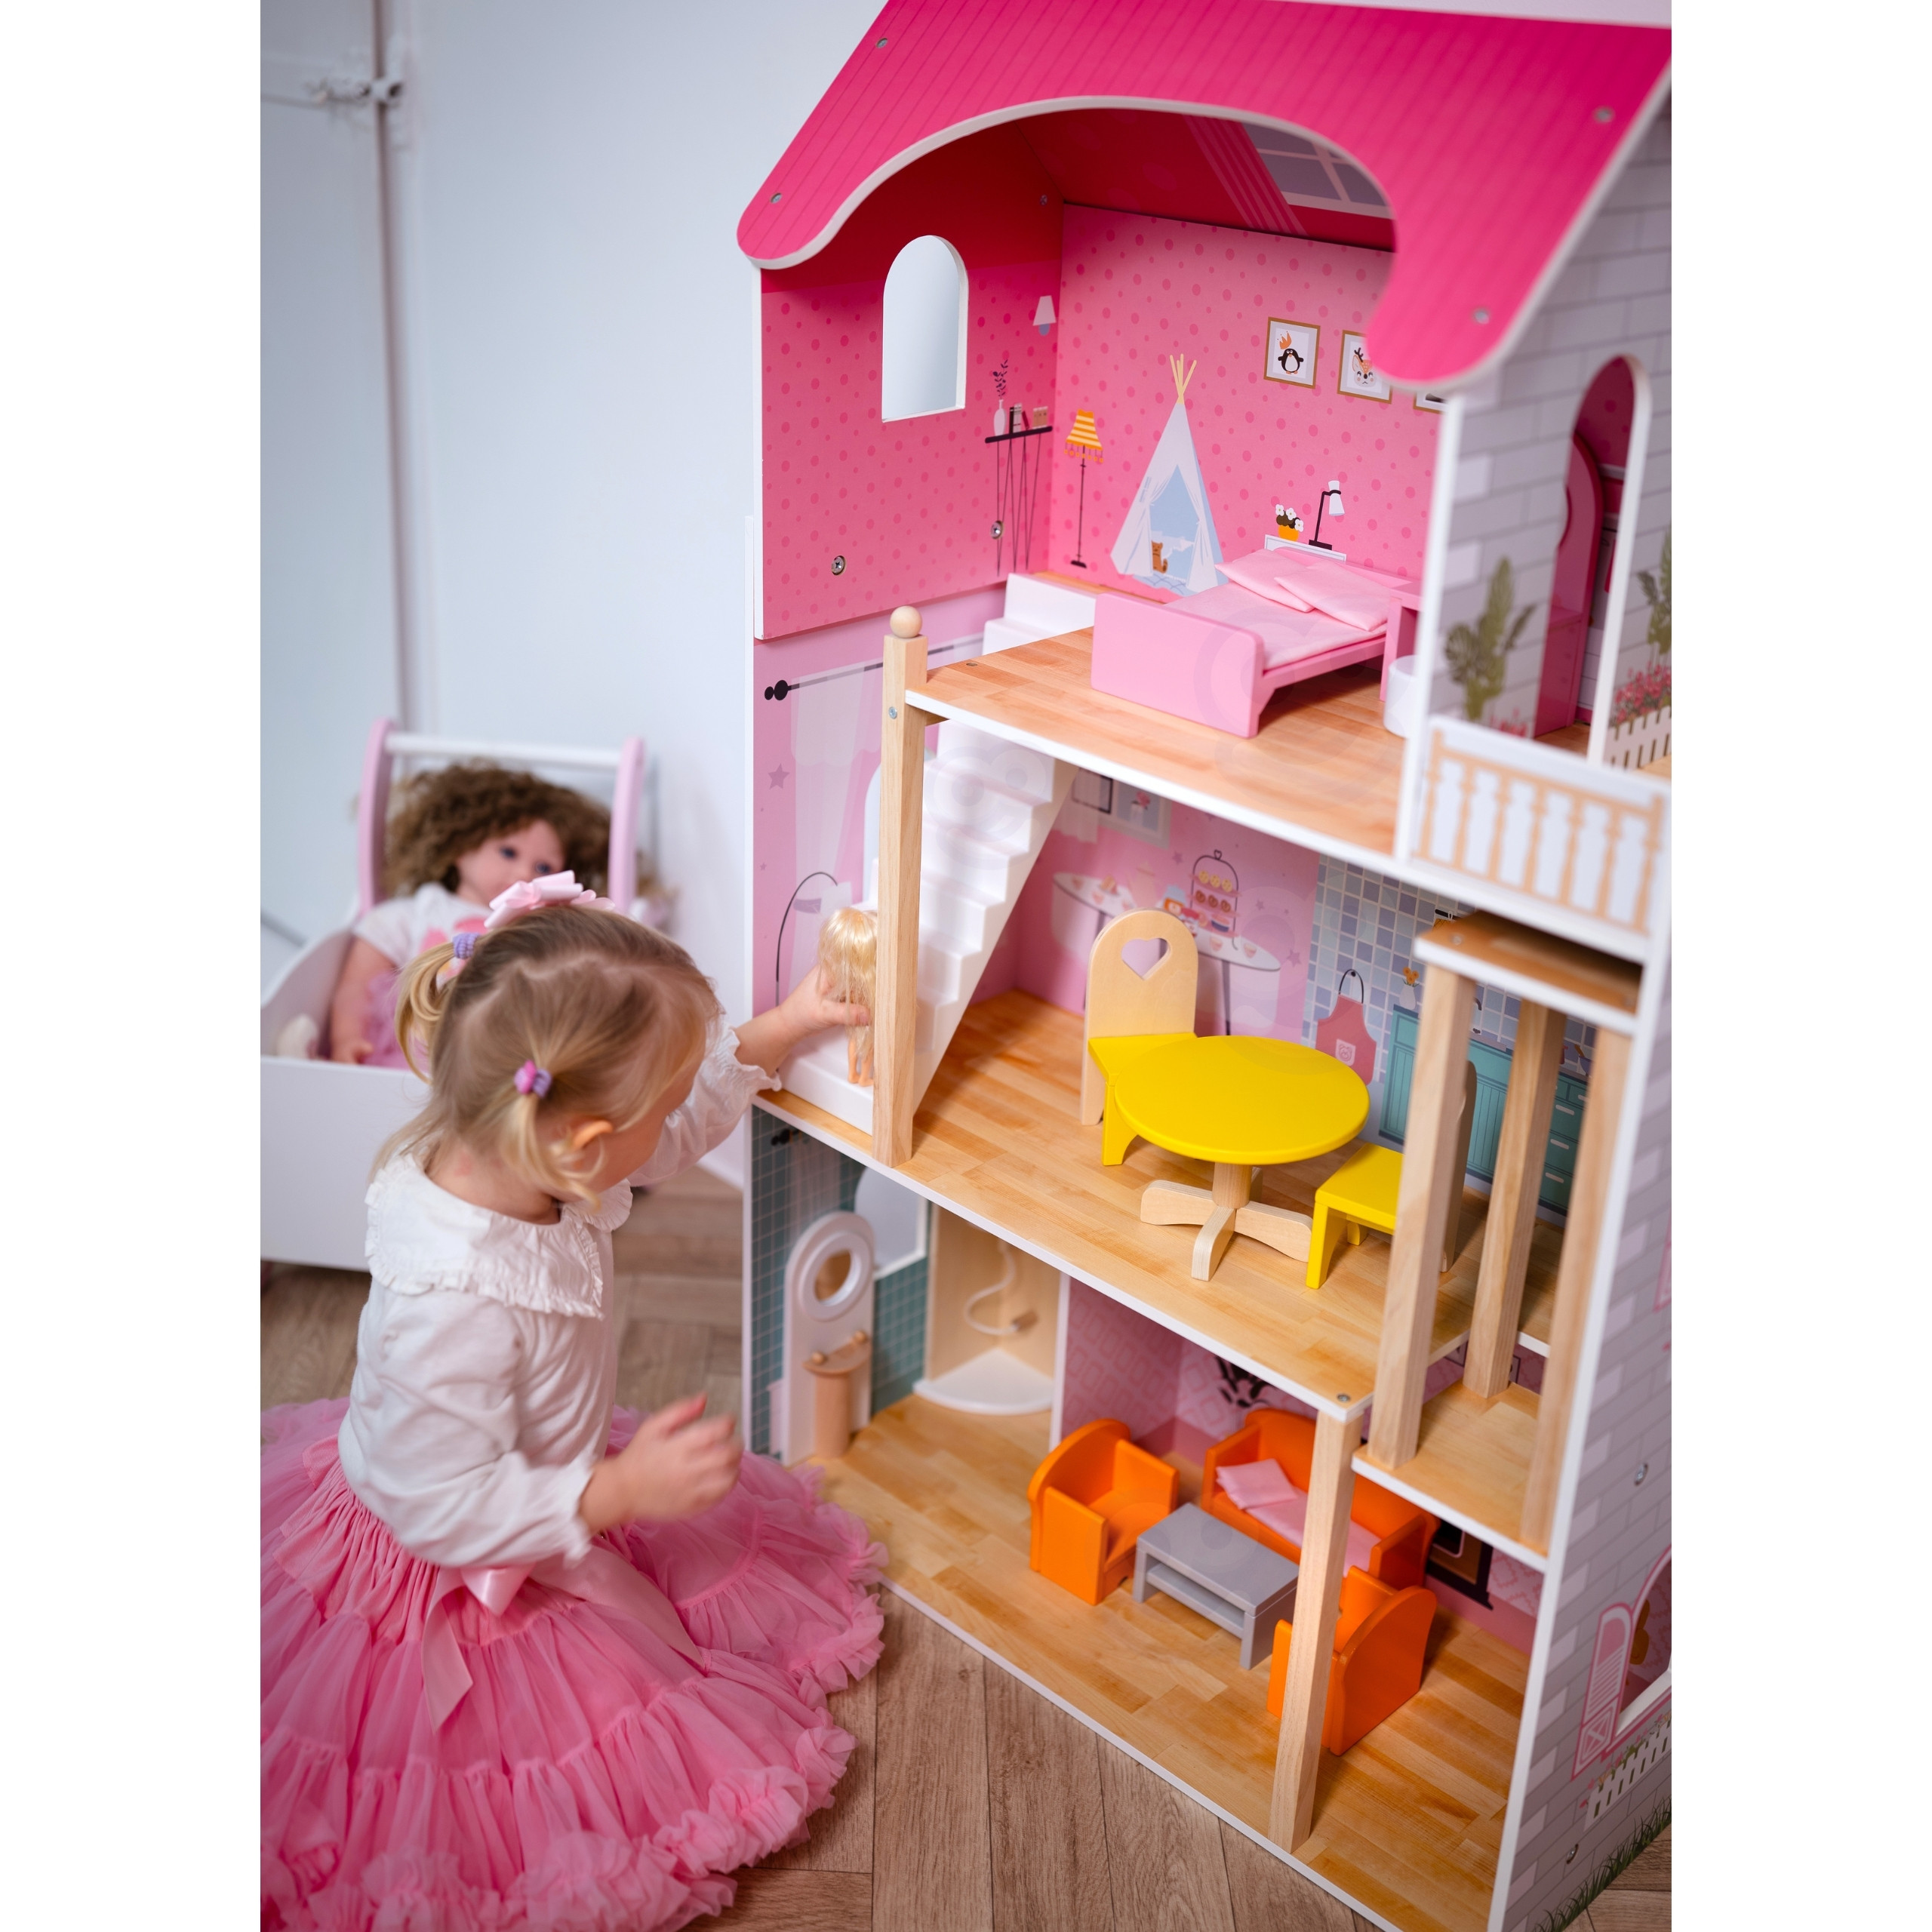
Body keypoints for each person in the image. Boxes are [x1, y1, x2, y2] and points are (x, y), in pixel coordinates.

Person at [263, 879, 881, 1931]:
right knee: (521, 1769)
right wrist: (612, 1493)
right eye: (658, 1104)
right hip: (449, 1545)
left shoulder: (519, 1147)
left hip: (519, 1465)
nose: (671, 1123)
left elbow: (663, 1132)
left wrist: (787, 1024)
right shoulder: (452, 1306)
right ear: (584, 1143)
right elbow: (438, 1505)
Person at [328, 761, 637, 1066]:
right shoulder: (415, 913)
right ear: (462, 847)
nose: (524, 873)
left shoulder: (540, 926)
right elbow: (358, 986)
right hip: (416, 1052)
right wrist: (347, 1037)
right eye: (508, 852)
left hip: (496, 1063)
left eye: (544, 867)